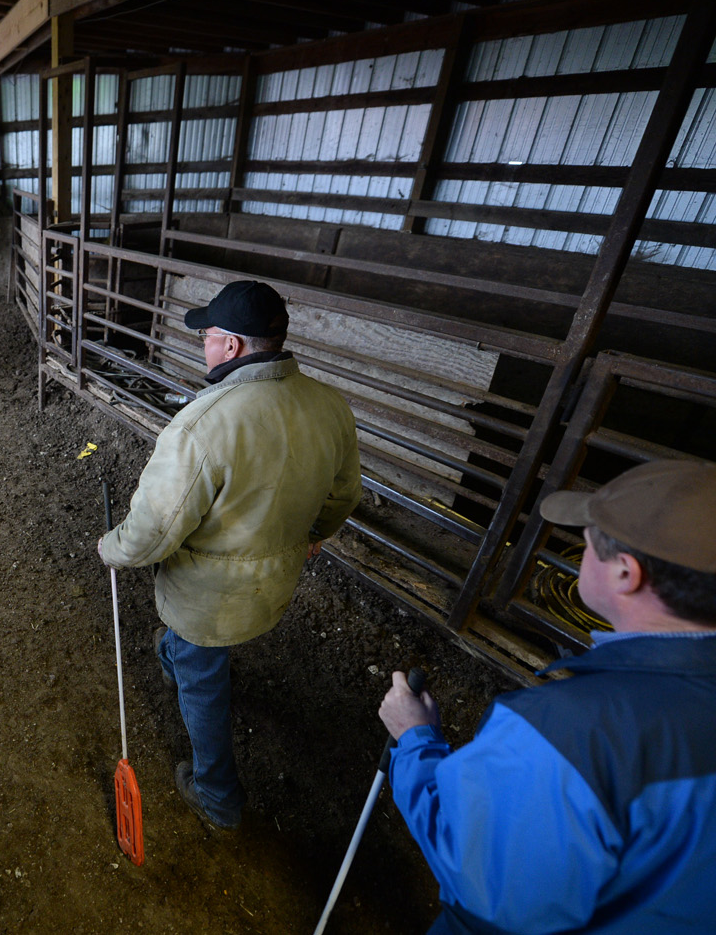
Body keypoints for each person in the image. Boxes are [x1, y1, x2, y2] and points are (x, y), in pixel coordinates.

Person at [378, 459, 716, 934]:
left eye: (588, 540)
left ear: (625, 573)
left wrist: (415, 740)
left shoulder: (574, 731)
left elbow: (481, 883)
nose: (580, 551)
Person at [99, 281, 361, 831]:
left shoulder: (204, 425)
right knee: (186, 650)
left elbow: (155, 530)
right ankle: (172, 658)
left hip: (209, 600)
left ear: (233, 348)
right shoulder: (329, 405)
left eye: (208, 337)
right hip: (275, 581)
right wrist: (314, 533)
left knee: (203, 679)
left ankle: (217, 794)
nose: (204, 346)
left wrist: (113, 549)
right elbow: (342, 496)